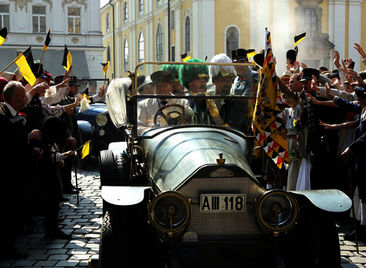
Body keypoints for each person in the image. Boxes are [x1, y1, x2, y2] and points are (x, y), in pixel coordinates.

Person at [0, 81, 42, 259]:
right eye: (23, 96)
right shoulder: (2, 115)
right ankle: (7, 247)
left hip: (18, 168)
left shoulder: (12, 113)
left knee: (15, 209)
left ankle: (10, 244)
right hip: (8, 172)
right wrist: (27, 137)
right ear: (15, 98)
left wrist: (29, 148)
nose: (26, 99)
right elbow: (7, 141)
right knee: (8, 211)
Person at [137, 70, 193, 135]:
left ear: (171, 87)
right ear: (154, 88)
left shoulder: (182, 102)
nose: (161, 89)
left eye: (164, 85)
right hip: (153, 139)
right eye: (158, 86)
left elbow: (189, 124)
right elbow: (139, 126)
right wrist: (153, 131)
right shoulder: (143, 105)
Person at [179, 58, 210, 124]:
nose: (203, 82)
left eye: (205, 79)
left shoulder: (211, 100)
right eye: (199, 79)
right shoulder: (184, 102)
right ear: (190, 83)